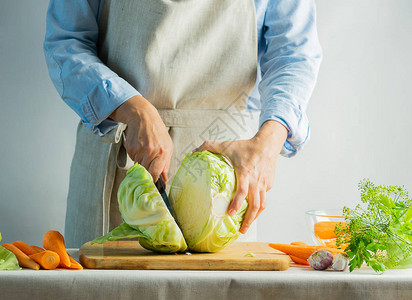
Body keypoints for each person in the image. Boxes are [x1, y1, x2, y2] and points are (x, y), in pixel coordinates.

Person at [44, 0, 322, 248]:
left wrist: (269, 142)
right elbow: (66, 43)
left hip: (228, 170)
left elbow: (293, 53)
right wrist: (130, 107)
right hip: (120, 147)